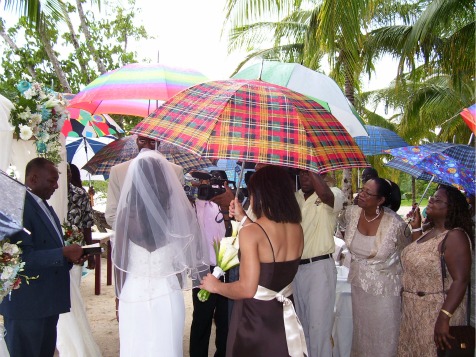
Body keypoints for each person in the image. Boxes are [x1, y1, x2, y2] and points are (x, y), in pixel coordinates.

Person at [200, 165, 306, 357]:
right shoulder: (297, 228)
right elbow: (267, 243)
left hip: (255, 318)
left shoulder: (252, 232)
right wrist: (243, 218)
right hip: (282, 315)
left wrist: (215, 286)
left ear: (260, 194)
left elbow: (246, 289)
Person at [113, 150, 208, 357]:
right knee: (167, 348)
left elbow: (119, 264)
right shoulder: (180, 213)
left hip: (133, 294)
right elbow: (187, 261)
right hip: (168, 293)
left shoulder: (125, 216)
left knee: (134, 348)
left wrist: (118, 299)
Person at [0, 157, 84, 357]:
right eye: (51, 181)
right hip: (27, 307)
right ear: (34, 178)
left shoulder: (42, 204)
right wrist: (62, 253)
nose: (56, 186)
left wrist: (69, 257)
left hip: (46, 303)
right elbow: (20, 258)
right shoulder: (16, 207)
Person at [398, 185, 473, 356]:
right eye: (432, 197)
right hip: (414, 312)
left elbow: (460, 280)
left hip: (435, 312)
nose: (431, 200)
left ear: (451, 208)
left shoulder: (455, 237)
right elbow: (419, 257)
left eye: (438, 200)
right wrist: (417, 227)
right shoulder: (431, 231)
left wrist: (444, 317)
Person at [339, 177, 410, 357]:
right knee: (362, 337)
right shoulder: (352, 214)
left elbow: (407, 254)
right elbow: (340, 227)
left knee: (384, 340)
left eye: (367, 193)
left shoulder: (395, 225)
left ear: (381, 200)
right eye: (362, 190)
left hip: (385, 292)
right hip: (359, 288)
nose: (361, 195)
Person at [291, 170, 345, 357]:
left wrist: (311, 165)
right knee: (302, 327)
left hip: (319, 268)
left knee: (319, 330)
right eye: (302, 173)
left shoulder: (333, 193)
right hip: (297, 269)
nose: (305, 178)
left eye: (309, 174)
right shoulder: (295, 197)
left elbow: (326, 195)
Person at [56, 163, 101, 357]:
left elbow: (87, 224)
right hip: (56, 251)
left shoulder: (79, 194)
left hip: (75, 251)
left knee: (71, 295)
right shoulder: (45, 193)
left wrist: (90, 252)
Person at [189, 172, 233, 357]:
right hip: (202, 269)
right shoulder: (192, 206)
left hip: (226, 268)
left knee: (225, 319)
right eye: (202, 182)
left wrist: (228, 208)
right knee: (202, 317)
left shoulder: (230, 205)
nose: (207, 187)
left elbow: (234, 233)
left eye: (212, 183)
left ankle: (222, 353)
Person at [105, 135, 184, 227]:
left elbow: (179, 211)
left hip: (169, 235)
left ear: (159, 142)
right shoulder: (118, 170)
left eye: (152, 142)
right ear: (137, 141)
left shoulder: (175, 170)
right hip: (131, 237)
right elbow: (111, 214)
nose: (147, 146)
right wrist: (133, 233)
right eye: (142, 141)